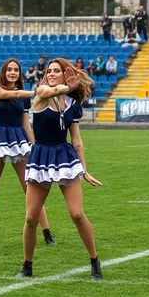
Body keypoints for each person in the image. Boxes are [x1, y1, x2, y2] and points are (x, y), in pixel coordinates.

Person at [16, 58, 102, 279]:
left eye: (57, 71)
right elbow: (53, 90)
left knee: (77, 214)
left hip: (64, 157)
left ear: (65, 74)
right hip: (41, 157)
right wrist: (69, 86)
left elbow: (77, 141)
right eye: (49, 71)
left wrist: (85, 170)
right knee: (30, 219)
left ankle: (94, 262)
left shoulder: (72, 104)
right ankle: (27, 266)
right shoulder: (42, 92)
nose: (52, 74)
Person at [0, 58, 56, 245]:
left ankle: (46, 232)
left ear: (19, 74)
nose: (12, 73)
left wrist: (34, 145)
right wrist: (37, 91)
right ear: (3, 72)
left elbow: (25, 123)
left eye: (16, 70)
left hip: (19, 140)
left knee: (30, 189)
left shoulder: (23, 96)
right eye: (9, 69)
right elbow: (12, 94)